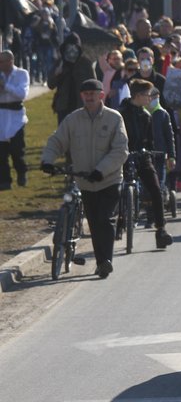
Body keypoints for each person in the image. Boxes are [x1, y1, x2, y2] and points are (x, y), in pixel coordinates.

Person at [41, 79, 129, 278]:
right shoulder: (73, 120)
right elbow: (57, 141)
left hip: (109, 180)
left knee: (104, 220)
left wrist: (101, 170)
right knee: (94, 223)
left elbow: (120, 151)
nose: (89, 97)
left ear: (101, 95)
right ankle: (101, 262)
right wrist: (47, 161)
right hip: (85, 182)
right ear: (82, 96)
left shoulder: (114, 118)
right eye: (86, 94)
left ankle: (105, 261)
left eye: (93, 93)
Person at [118, 79, 174, 247]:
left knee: (156, 189)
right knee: (118, 188)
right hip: (124, 156)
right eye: (148, 95)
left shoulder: (146, 115)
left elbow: (149, 142)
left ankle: (161, 229)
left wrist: (149, 152)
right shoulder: (121, 113)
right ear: (138, 95)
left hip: (142, 157)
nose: (150, 98)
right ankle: (120, 221)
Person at [48, 32, 96, 124]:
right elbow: (50, 84)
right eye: (69, 47)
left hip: (81, 106)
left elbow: (93, 85)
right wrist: (57, 74)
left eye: (74, 47)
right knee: (64, 135)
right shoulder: (60, 63)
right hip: (63, 106)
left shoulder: (85, 63)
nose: (72, 50)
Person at [0, 51, 29, 189]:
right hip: (1, 115)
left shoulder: (21, 74)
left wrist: (5, 86)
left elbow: (22, 94)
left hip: (16, 117)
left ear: (10, 61)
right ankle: (5, 180)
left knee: (17, 150)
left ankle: (22, 172)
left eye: (2, 61)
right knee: (1, 152)